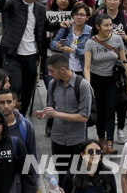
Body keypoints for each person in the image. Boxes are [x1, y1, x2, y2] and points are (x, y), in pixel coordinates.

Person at [35, 52, 93, 180]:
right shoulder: (53, 84)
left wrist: (56, 114)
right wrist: (44, 114)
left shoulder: (82, 85)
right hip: (57, 139)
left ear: (62, 70)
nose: (49, 74)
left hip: (76, 141)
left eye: (52, 71)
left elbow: (84, 117)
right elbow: (52, 108)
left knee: (77, 178)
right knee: (61, 177)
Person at [84, 12, 127, 154]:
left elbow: (124, 63)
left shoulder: (117, 40)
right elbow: (87, 66)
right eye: (106, 25)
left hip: (113, 80)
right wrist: (88, 84)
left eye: (111, 25)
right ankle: (102, 140)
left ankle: (110, 143)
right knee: (99, 111)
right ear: (97, 26)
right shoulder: (90, 43)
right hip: (96, 79)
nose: (109, 28)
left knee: (111, 110)